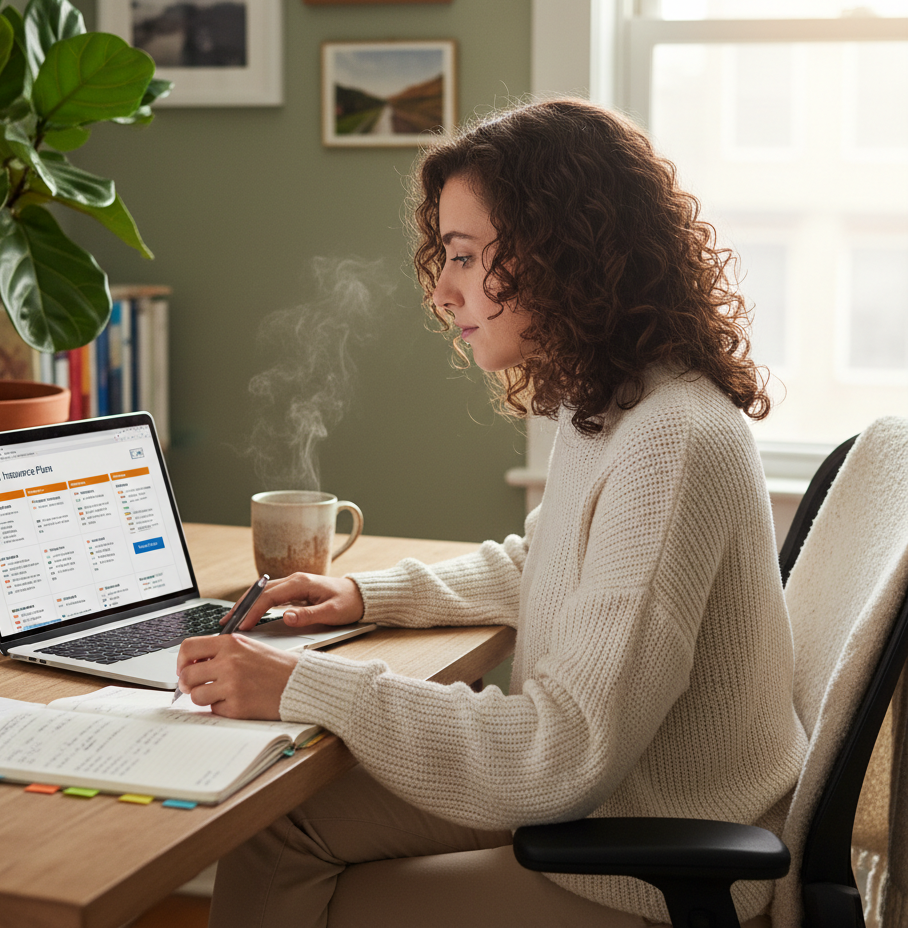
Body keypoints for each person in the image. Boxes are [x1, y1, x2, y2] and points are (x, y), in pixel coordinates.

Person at [177, 98, 807, 928]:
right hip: (606, 800)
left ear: (568, 254)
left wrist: (306, 682)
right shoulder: (618, 401)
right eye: (444, 256)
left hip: (649, 856)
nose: (443, 292)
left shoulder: (671, 442)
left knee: (300, 859)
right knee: (271, 823)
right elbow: (540, 562)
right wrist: (367, 600)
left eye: (467, 257)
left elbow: (563, 749)